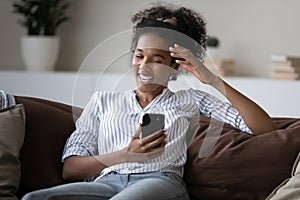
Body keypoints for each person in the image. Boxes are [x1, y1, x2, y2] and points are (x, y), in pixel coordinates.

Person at [22, 3, 276, 200]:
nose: (144, 66)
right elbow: (71, 169)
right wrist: (126, 154)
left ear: (174, 66)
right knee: (33, 197)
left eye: (156, 59)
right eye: (139, 56)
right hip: (105, 183)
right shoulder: (103, 101)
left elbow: (264, 129)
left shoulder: (191, 99)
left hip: (160, 181)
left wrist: (211, 79)